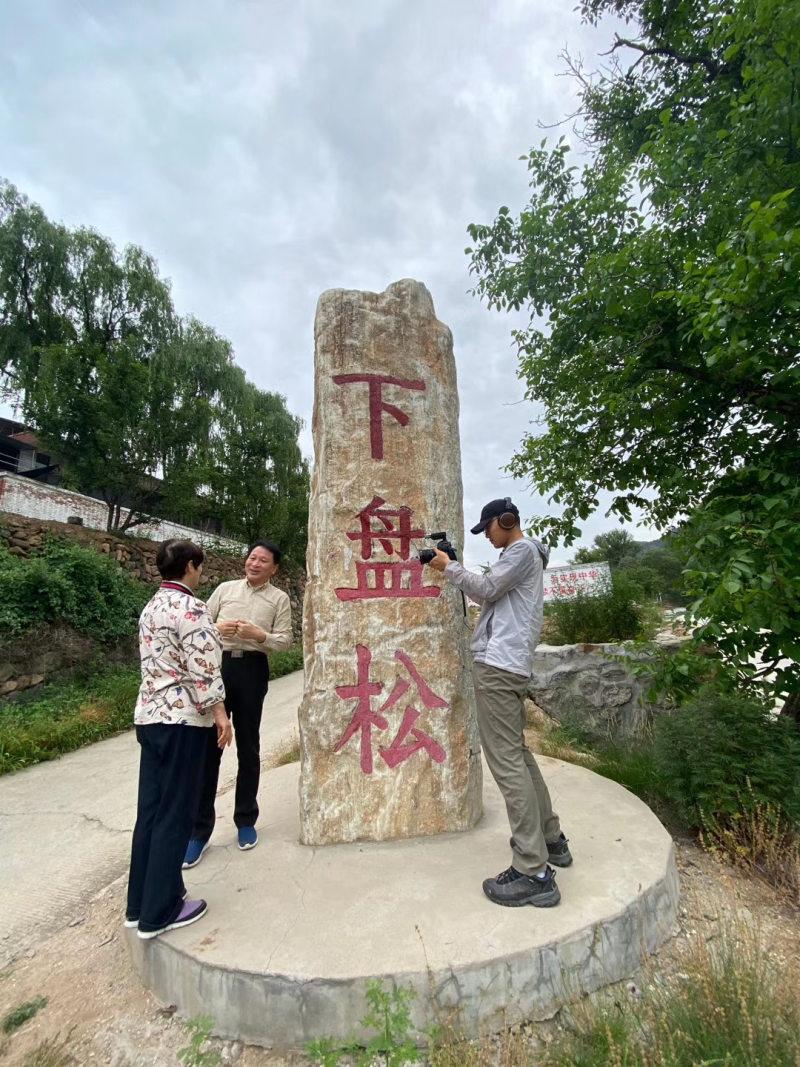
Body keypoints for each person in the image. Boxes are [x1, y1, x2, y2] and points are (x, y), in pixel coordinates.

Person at [429, 497, 572, 907]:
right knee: (519, 756)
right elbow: (487, 596)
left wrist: (446, 567)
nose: (488, 538)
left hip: (498, 666)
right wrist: (456, 565)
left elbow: (487, 587)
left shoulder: (522, 551)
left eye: (488, 528)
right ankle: (552, 840)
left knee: (507, 762)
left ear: (506, 521)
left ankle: (534, 871)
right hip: (510, 664)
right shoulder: (520, 557)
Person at [126, 539, 232, 939]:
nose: (200, 572)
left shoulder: (151, 606)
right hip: (183, 720)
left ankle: (138, 905)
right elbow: (203, 669)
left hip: (150, 716)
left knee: (151, 813)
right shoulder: (193, 608)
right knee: (175, 813)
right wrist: (221, 714)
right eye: (199, 566)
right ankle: (162, 910)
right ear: (190, 566)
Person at [184, 540, 292, 865]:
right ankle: (199, 832)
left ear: (274, 568)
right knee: (208, 750)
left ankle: (245, 821)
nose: (255, 563)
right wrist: (218, 627)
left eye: (263, 560)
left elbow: (285, 640)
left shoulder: (279, 599)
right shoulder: (225, 589)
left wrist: (260, 635)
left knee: (249, 747)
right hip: (218, 667)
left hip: (252, 670)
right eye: (252, 557)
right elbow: (199, 626)